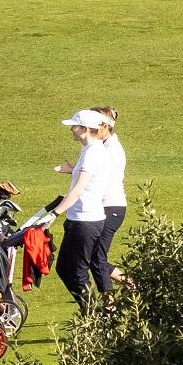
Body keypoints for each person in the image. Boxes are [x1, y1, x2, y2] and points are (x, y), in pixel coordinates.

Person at [53, 107, 126, 310]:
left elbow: (78, 190)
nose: (71, 130)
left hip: (89, 218)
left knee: (81, 269)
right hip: (85, 217)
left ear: (85, 128)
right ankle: (98, 311)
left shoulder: (96, 152)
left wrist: (55, 212)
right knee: (71, 268)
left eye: (74, 127)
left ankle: (98, 313)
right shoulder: (92, 150)